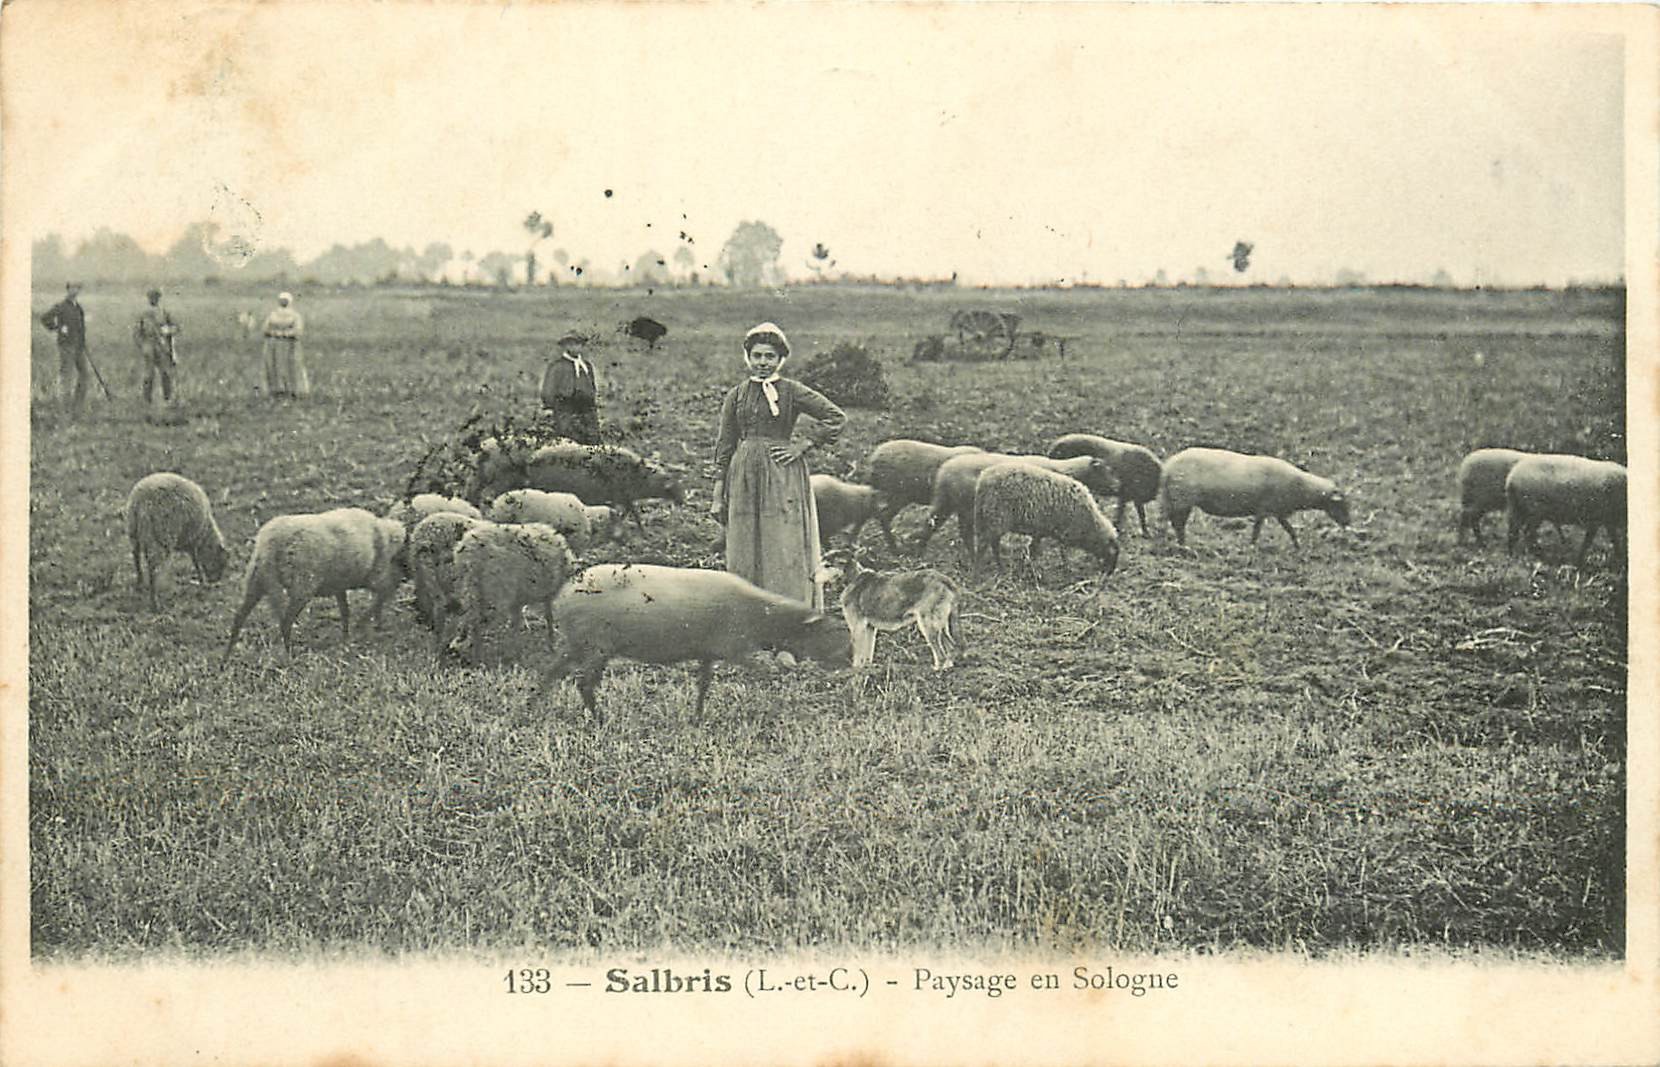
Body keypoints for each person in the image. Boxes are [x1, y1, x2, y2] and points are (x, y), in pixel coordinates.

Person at [712, 322, 846, 611]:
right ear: (748, 357)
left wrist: (803, 445)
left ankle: (788, 613)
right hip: (744, 474)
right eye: (757, 356)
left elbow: (835, 417)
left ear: (780, 359)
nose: (762, 362)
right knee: (745, 543)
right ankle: (748, 614)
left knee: (783, 543)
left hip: (782, 474)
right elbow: (725, 445)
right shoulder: (736, 395)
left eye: (769, 356)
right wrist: (717, 493)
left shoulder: (791, 391)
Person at [539, 331, 599, 442]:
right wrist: (548, 407)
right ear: (565, 347)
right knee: (569, 439)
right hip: (565, 409)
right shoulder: (557, 366)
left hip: (586, 410)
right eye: (570, 344)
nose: (575, 347)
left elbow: (592, 386)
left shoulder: (587, 366)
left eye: (578, 344)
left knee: (592, 438)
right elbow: (549, 389)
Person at [39, 281, 90, 412]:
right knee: (67, 375)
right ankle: (64, 407)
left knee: (84, 374)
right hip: (66, 346)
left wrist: (83, 343)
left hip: (78, 347)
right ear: (67, 290)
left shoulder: (78, 308)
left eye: (77, 288)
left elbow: (81, 328)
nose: (75, 291)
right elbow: (45, 318)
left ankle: (78, 405)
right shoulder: (61, 306)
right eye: (72, 288)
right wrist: (58, 328)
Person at [134, 287, 181, 408]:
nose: (153, 299)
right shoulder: (143, 314)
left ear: (158, 299)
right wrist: (143, 346)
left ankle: (168, 398)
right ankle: (146, 400)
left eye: (156, 297)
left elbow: (176, 327)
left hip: (162, 346)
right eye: (151, 297)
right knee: (148, 374)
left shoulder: (164, 312)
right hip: (148, 346)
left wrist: (167, 331)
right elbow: (137, 333)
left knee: (165, 372)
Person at [262, 291, 309, 399]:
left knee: (291, 366)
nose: (283, 302)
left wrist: (284, 334)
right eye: (282, 300)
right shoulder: (273, 314)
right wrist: (274, 334)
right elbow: (265, 328)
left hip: (289, 345)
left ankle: (292, 390)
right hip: (274, 345)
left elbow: (298, 331)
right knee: (274, 365)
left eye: (285, 300)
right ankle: (277, 390)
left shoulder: (294, 315)